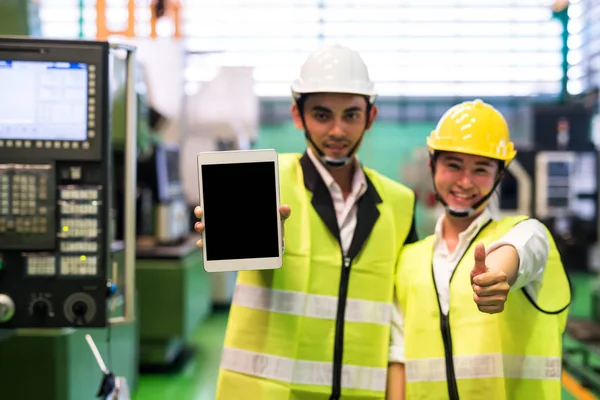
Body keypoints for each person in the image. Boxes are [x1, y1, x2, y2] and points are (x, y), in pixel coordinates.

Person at [193, 43, 419, 400]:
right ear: (298, 116)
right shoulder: (262, 181)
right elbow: (233, 250)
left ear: (370, 117)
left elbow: (403, 311)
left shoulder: (400, 202)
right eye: (322, 114)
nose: (337, 130)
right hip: (268, 392)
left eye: (351, 115)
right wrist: (237, 238)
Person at [386, 99, 571, 400]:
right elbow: (399, 356)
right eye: (453, 165)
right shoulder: (408, 260)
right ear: (432, 165)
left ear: (499, 174)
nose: (465, 182)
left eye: (481, 169)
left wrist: (499, 276)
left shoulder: (525, 232)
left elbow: (520, 251)